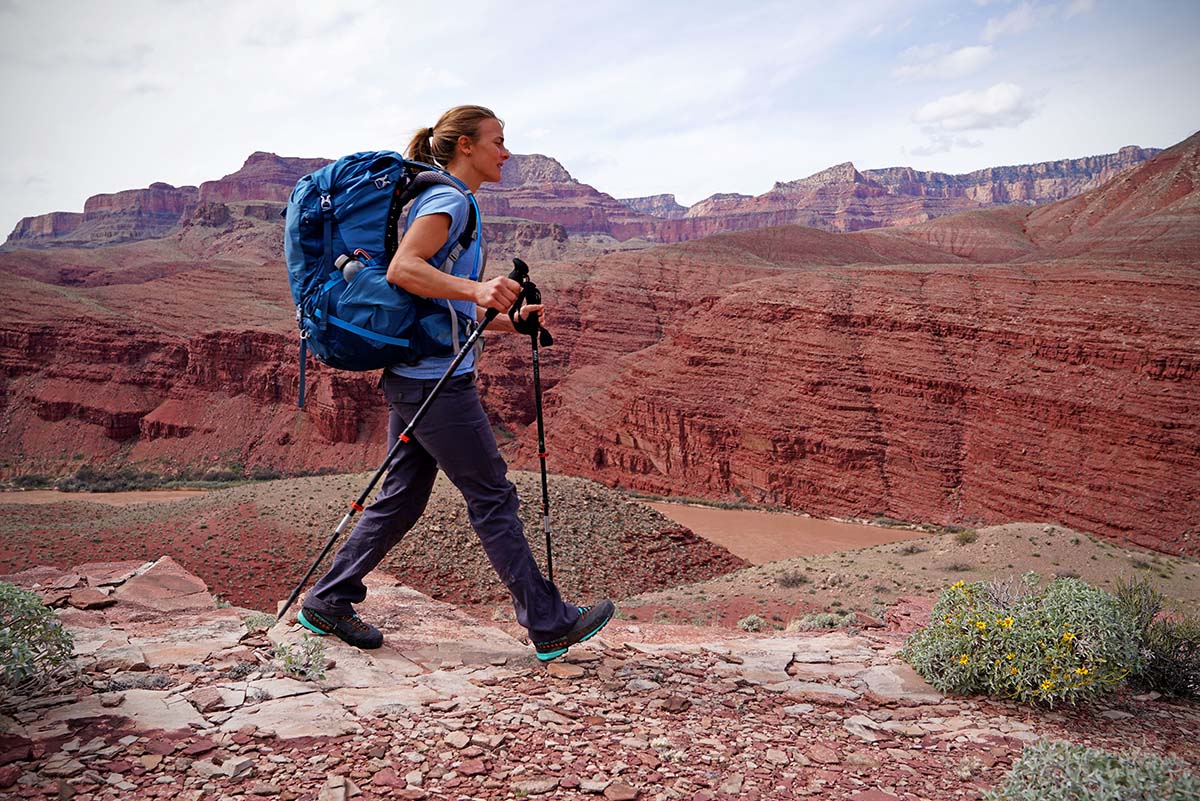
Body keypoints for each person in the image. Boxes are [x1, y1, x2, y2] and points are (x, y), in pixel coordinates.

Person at [298, 105, 614, 662]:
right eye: (498, 140)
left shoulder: (444, 198)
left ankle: (329, 598)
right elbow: (403, 270)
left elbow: (436, 299)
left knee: (400, 498)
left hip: (417, 375)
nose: (506, 152)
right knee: (492, 494)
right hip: (435, 384)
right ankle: (548, 622)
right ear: (465, 145)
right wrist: (478, 292)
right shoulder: (448, 199)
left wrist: (508, 318)